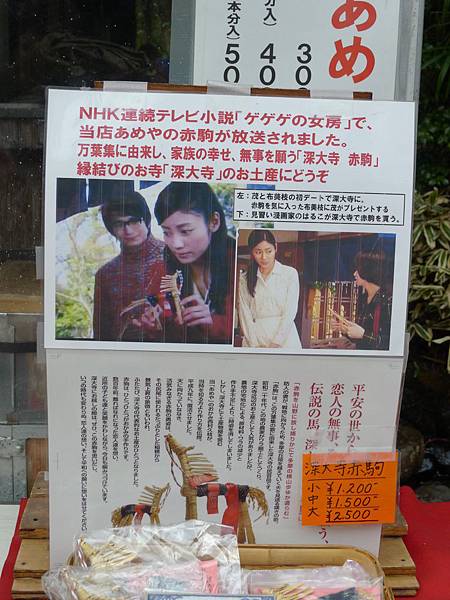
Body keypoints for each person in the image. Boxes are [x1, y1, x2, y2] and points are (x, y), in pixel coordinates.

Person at [137, 181, 235, 345]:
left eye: (185, 231)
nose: (176, 244)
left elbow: (261, 330)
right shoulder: (163, 271)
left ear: (214, 222)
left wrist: (216, 324)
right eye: (167, 232)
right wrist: (154, 325)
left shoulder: (242, 264)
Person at [93, 189, 164, 341]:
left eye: (134, 221)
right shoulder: (105, 275)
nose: (128, 230)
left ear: (147, 220)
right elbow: (101, 335)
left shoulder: (176, 257)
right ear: (111, 230)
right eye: (119, 224)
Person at [237, 230, 301, 348]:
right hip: (254, 341)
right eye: (258, 252)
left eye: (268, 251)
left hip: (285, 341)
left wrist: (276, 343)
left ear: (276, 247)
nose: (264, 257)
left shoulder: (289, 274)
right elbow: (244, 313)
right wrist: (254, 345)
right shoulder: (244, 279)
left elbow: (290, 312)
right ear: (252, 252)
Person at [332, 251, 392, 350]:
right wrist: (345, 330)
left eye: (358, 270)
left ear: (368, 271)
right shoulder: (363, 299)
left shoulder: (387, 301)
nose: (354, 273)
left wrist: (363, 334)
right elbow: (361, 338)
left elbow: (389, 343)